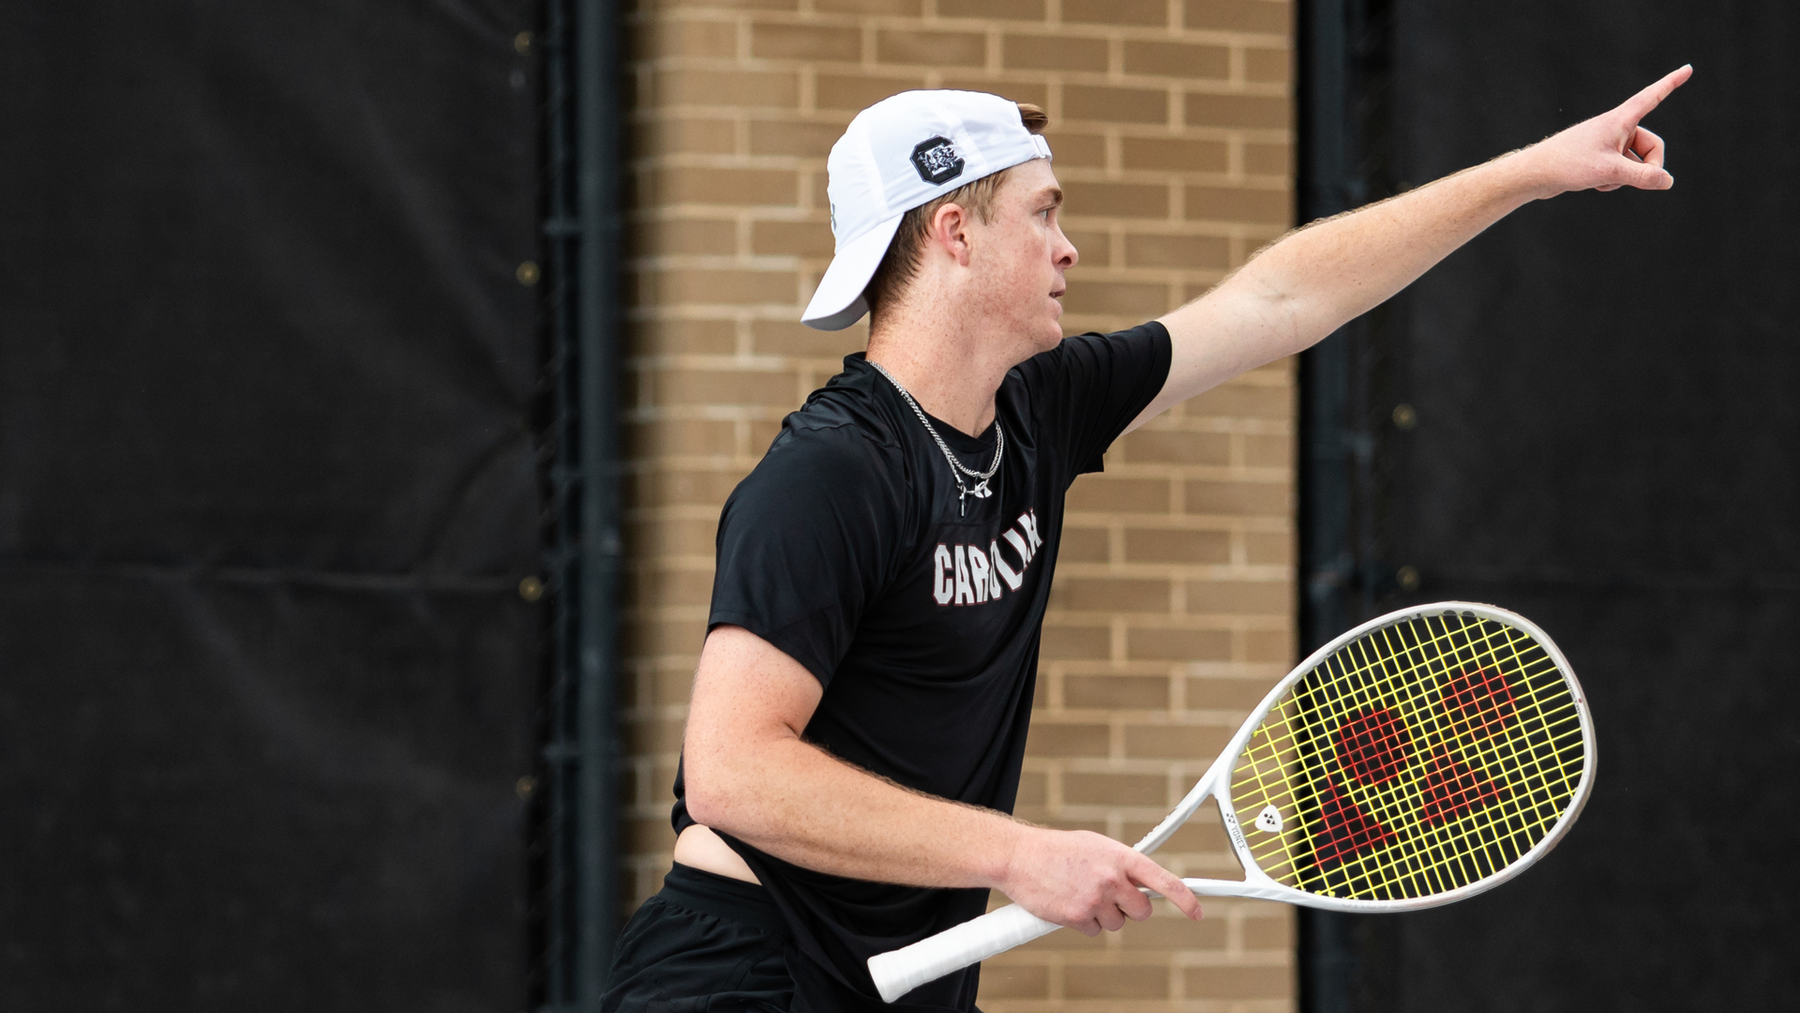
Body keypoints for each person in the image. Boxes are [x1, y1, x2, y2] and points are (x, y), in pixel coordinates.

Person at [601, 68, 1690, 1012]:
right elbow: (733, 771)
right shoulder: (829, 475)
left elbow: (1280, 296)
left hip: (909, 969)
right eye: (1043, 213)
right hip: (739, 966)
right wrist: (1020, 853)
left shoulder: (1038, 413)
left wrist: (1533, 172)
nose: (1070, 246)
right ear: (955, 231)